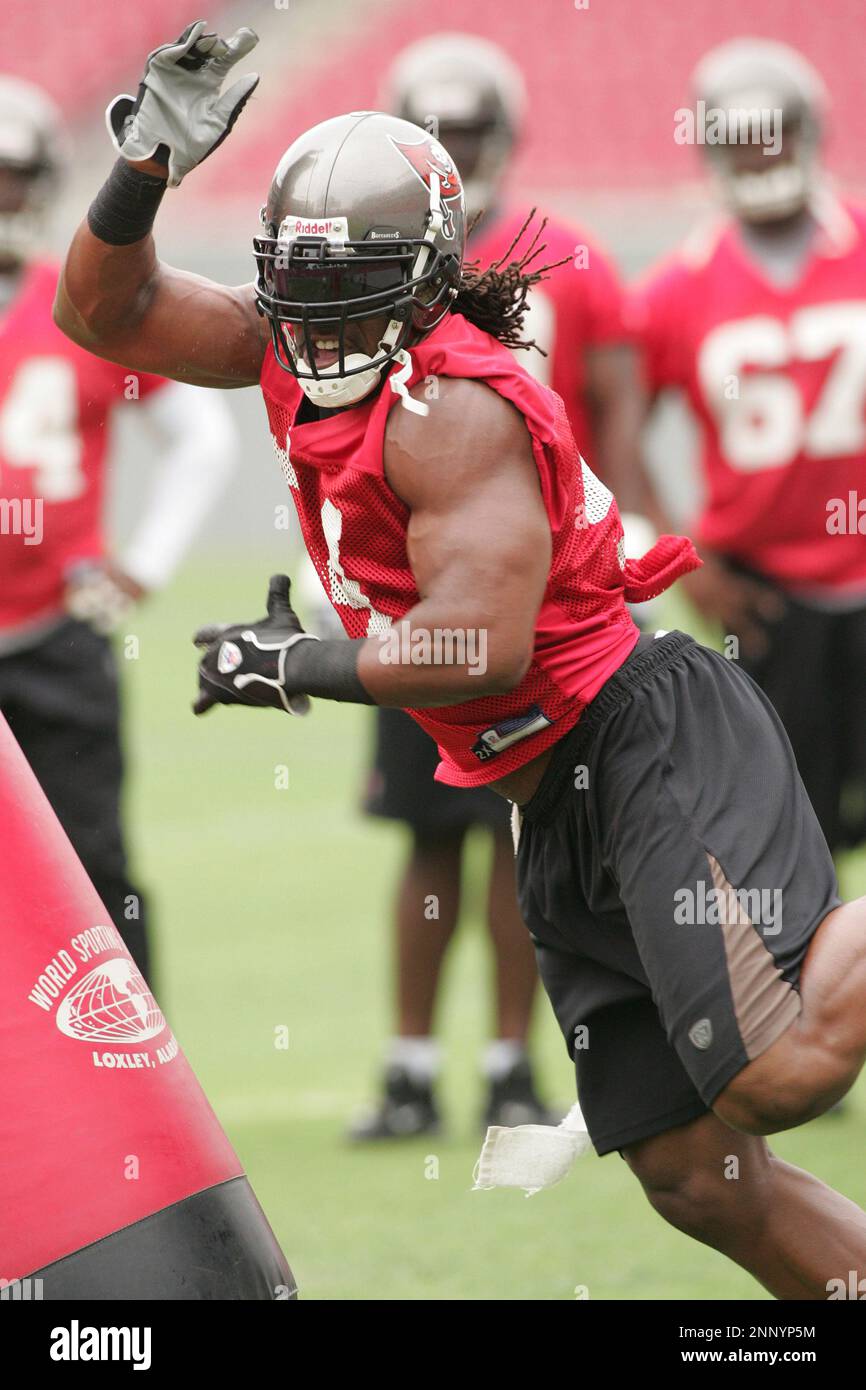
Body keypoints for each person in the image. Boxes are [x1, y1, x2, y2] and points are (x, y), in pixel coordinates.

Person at [55, 21, 866, 1298]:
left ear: (426, 281)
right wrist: (145, 163)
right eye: (297, 277)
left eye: (350, 280)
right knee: (691, 1173)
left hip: (638, 738)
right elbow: (103, 309)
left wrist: (297, 664)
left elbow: (472, 645)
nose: (316, 317)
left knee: (777, 1073)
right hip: (549, 789)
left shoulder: (460, 411)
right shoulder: (300, 353)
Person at [350, 33, 640, 1138]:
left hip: (542, 589)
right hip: (411, 580)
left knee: (533, 836)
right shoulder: (366, 250)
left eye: (465, 135)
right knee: (429, 835)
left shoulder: (567, 255)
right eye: (431, 132)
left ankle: (514, 1063)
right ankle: (412, 1065)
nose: (449, 153)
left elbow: (606, 429)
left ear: (502, 140)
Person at [0, 74, 238, 979]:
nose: (3, 196)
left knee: (93, 875)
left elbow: (201, 440)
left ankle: (135, 1085)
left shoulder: (83, 305)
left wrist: (141, 566)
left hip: (56, 635)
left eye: (14, 176)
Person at [630, 38, 866, 857]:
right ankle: (813, 993)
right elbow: (622, 431)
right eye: (743, 137)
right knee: (784, 844)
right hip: (767, 599)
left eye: (774, 133)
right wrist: (683, 558)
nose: (762, 153)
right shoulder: (677, 287)